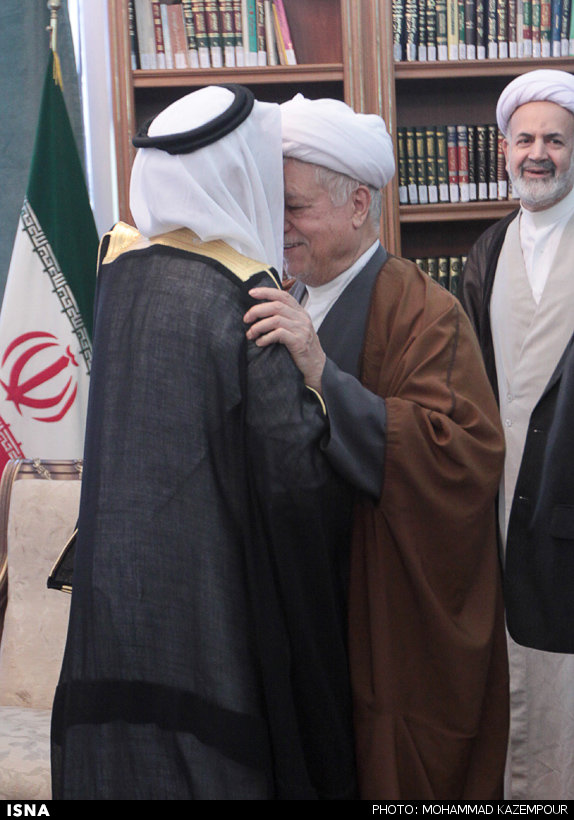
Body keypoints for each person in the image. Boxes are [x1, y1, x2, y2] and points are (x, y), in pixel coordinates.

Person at [50, 84, 357, 800]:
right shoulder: (247, 295)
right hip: (208, 612)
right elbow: (295, 475)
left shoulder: (120, 272)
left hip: (116, 605)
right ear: (238, 173)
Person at [243, 94, 509, 800]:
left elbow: (460, 456)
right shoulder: (283, 298)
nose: (280, 226)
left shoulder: (425, 310)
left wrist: (322, 373)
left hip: (380, 616)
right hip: (302, 609)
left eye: (295, 208)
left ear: (358, 205)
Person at [460, 69, 574, 800]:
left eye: (555, 140)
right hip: (500, 502)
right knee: (514, 678)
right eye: (525, 139)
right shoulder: (488, 250)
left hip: (568, 494)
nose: (539, 154)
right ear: (503, 149)